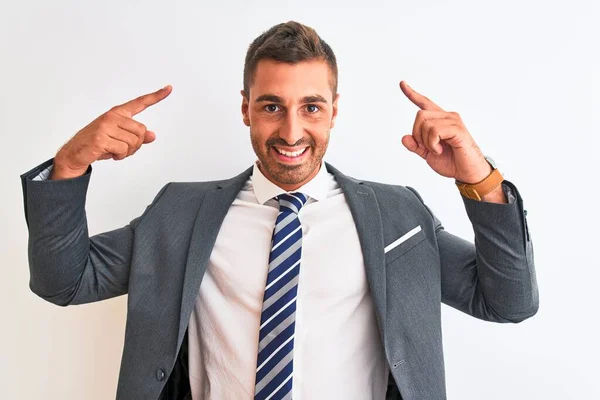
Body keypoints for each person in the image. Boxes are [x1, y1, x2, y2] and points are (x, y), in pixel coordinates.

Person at [20, 21, 538, 400]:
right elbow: (63, 282)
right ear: (246, 107)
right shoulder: (180, 213)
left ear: (334, 110)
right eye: (272, 106)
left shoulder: (397, 215)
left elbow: (508, 301)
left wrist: (479, 179)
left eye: (311, 107)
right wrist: (68, 167)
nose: (291, 131)